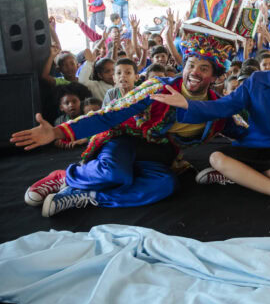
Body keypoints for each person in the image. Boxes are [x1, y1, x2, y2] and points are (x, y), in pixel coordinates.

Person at [12, 35, 247, 217]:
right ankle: (67, 177)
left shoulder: (219, 111)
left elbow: (246, 134)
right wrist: (55, 131)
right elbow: (108, 115)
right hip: (125, 141)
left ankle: (88, 194)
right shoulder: (157, 89)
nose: (194, 72)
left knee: (165, 186)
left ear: (216, 77)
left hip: (158, 157)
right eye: (191, 64)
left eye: (203, 68)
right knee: (115, 172)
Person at [151, 29, 270, 213]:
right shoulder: (257, 80)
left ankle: (236, 175)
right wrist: (188, 104)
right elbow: (226, 105)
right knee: (216, 158)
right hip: (256, 145)